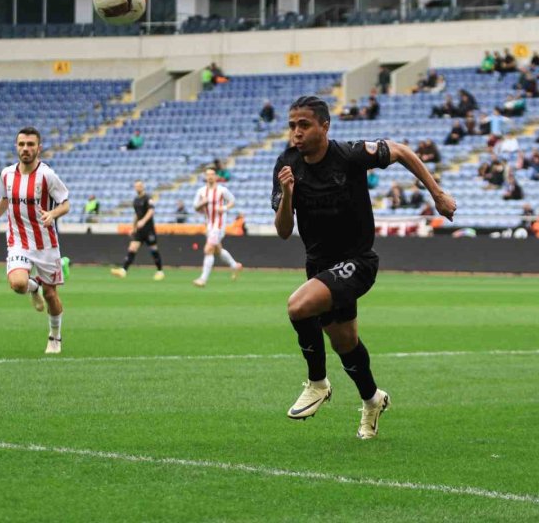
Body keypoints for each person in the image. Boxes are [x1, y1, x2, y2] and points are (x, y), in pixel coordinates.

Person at [273, 95, 456, 439]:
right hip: (320, 266)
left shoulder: (350, 154)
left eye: (304, 125)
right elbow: (283, 231)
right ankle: (373, 400)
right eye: (292, 126)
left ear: (325, 126)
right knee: (345, 342)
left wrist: (437, 194)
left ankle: (317, 383)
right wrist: (286, 194)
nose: (296, 133)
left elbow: (401, 151)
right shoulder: (286, 165)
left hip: (357, 261)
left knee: (298, 306)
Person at [0, 127, 71, 355]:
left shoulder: (47, 175)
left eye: (30, 145)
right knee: (18, 283)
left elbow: (65, 203)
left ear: (39, 148)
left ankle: (55, 337)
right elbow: (4, 200)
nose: (26, 149)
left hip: (46, 244)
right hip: (18, 240)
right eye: (21, 144)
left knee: (51, 295)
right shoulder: (7, 174)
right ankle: (33, 287)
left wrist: (53, 214)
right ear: (16, 147)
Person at [192, 168, 243, 287]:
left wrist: (223, 208)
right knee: (217, 250)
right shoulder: (201, 191)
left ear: (216, 177)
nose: (210, 177)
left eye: (212, 174)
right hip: (209, 224)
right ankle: (235, 266)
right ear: (205, 177)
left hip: (219, 225)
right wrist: (202, 203)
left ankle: (203, 279)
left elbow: (232, 201)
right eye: (208, 174)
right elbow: (195, 207)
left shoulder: (222, 190)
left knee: (208, 249)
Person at [110, 181, 164, 280]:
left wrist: (143, 221)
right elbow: (136, 214)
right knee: (132, 248)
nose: (138, 187)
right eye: (136, 186)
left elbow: (151, 211)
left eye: (139, 186)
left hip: (149, 229)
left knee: (154, 250)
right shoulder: (135, 200)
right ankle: (123, 270)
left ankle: (160, 271)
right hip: (139, 230)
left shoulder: (148, 198)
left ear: (142, 187)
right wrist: (133, 227)